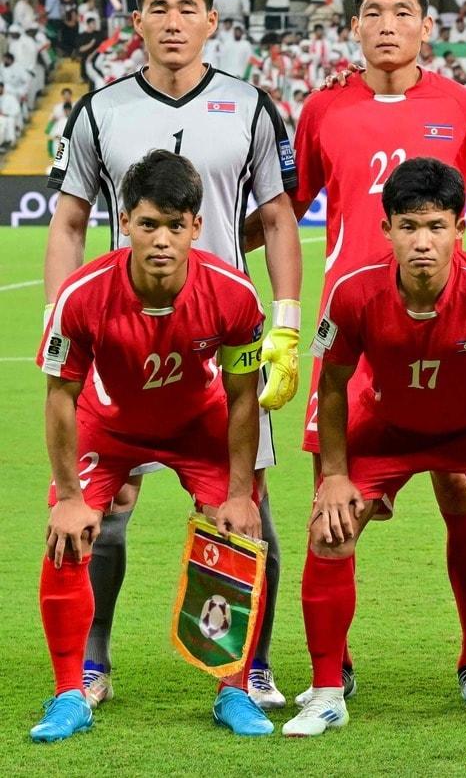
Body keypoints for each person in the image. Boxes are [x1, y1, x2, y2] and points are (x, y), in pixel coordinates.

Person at [274, 0, 466, 709]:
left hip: (448, 332)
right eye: (373, 11)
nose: (386, 24)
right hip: (352, 337)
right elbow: (284, 211)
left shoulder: (462, 106)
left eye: (401, 11)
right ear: (353, 26)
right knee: (333, 501)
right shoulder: (323, 109)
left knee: (461, 493)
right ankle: (333, 670)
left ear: (428, 26)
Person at [43, 0, 301, 712]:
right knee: (107, 508)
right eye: (158, 7)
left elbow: (278, 218)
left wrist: (286, 321)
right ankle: (93, 662)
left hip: (224, 342)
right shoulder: (102, 110)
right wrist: (65, 317)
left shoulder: (250, 106)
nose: (173, 21)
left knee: (248, 510)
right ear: (137, 20)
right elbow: (69, 220)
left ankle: (250, 667)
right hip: (123, 343)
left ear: (212, 20)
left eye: (188, 7)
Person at [281, 158, 466, 738]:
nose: (422, 241)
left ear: (460, 228)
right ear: (386, 229)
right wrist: (333, 475)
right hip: (386, 427)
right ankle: (328, 693)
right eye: (408, 226)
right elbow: (332, 384)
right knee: (328, 530)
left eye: (436, 226)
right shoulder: (353, 291)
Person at [32, 150, 272, 741]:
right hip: (110, 424)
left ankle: (234, 690)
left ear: (196, 225)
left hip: (198, 424)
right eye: (147, 224)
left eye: (174, 225)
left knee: (240, 530)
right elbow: (60, 396)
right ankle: (70, 693)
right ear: (124, 222)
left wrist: (240, 492)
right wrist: (69, 497)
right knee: (67, 534)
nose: (161, 240)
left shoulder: (235, 295)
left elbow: (244, 397)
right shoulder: (82, 294)